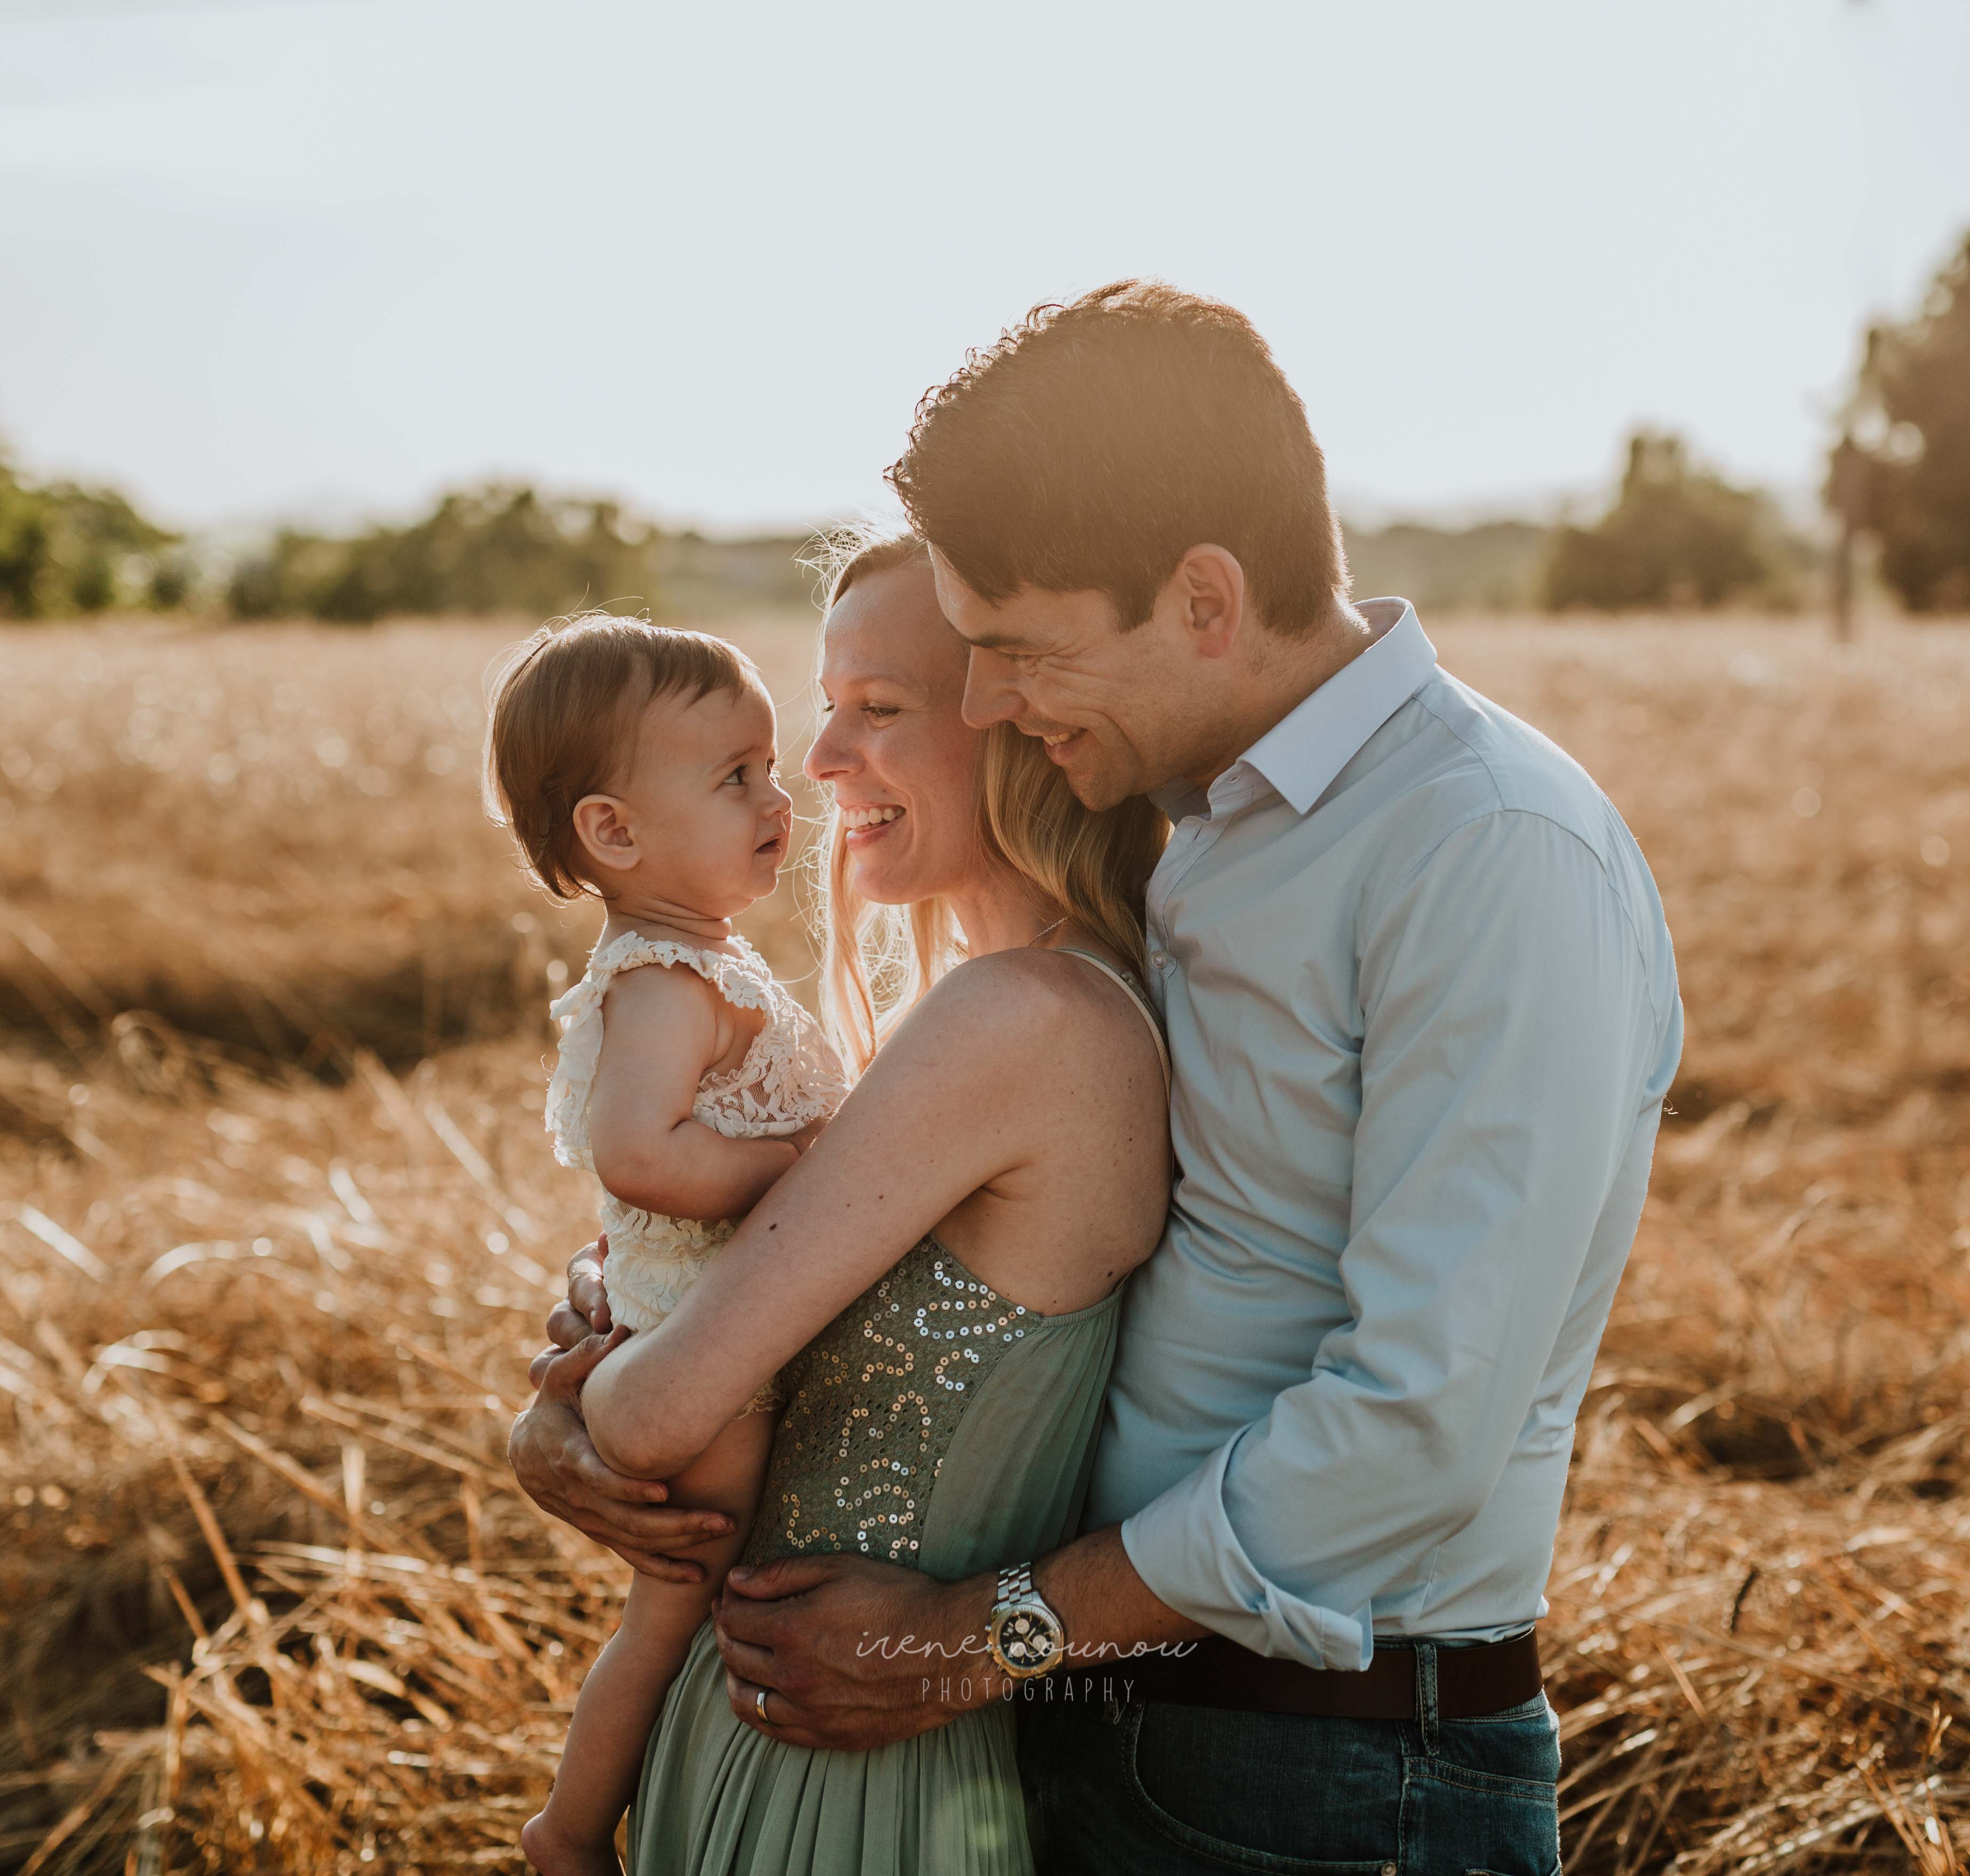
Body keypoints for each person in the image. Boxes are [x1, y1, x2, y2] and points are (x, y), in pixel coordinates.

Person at [518, 281, 1684, 1873]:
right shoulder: (1202, 836)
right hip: (1079, 1713)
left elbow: (1417, 1421)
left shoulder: (1481, 849)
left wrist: (972, 1632)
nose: (990, 699)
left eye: (1011, 650)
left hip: (1324, 1771)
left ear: (1205, 597)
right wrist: (583, 1409)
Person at [514, 530, 1172, 1873]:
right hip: (812, 1718)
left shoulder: (1021, 1022)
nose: (817, 767)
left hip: (846, 1766)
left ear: (1021, 730)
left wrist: (575, 1409)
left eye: (877, 710)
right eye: (825, 713)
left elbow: (656, 1407)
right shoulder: (977, 1026)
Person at [479, 618, 851, 1876]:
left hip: (717, 1310)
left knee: (694, 1597)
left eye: (768, 763)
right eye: (733, 775)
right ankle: (571, 1832)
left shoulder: (705, 959)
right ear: (615, 832)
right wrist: (793, 1170)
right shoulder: (659, 978)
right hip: (699, 1329)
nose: (778, 790)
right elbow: (635, 1153)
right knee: (678, 1596)